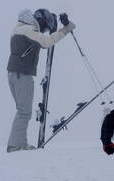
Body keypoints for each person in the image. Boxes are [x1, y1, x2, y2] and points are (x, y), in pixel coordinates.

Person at [6, 9, 75, 153]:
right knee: (24, 112)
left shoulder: (19, 29)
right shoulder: (28, 30)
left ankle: (16, 144)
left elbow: (40, 40)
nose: (44, 30)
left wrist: (53, 23)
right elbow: (46, 42)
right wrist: (66, 29)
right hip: (22, 74)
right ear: (41, 21)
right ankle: (16, 146)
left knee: (22, 111)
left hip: (14, 74)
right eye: (45, 26)